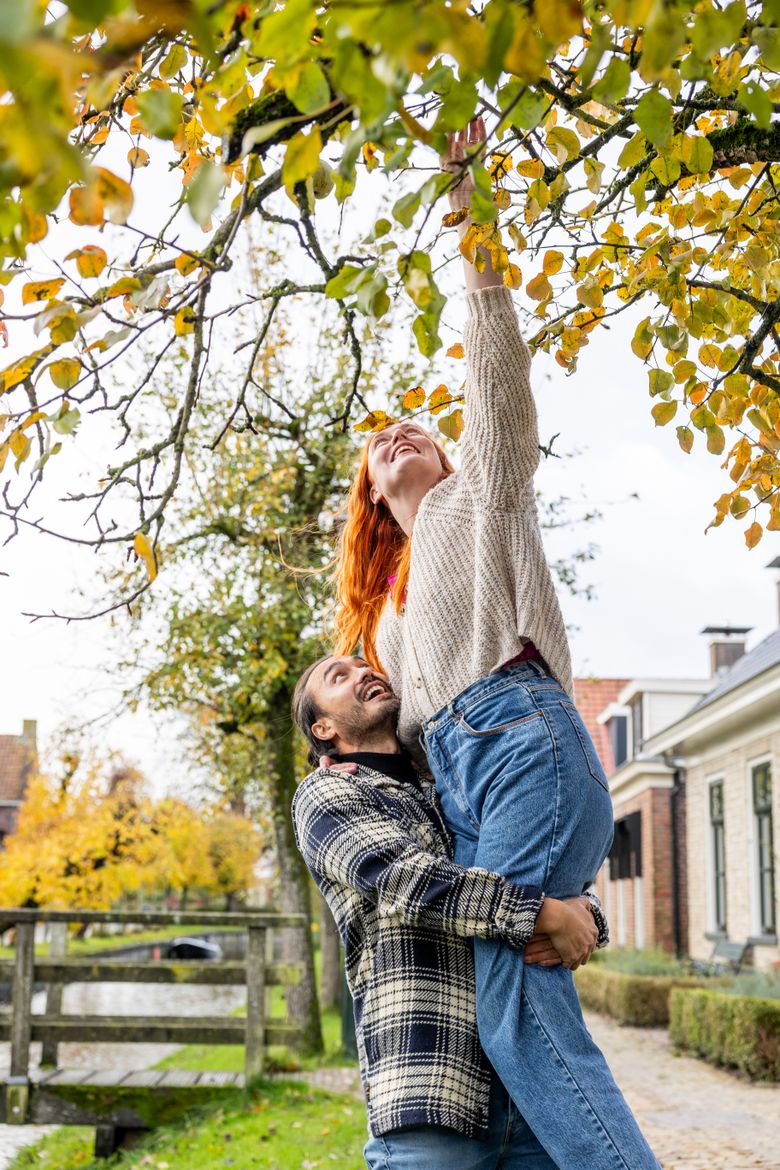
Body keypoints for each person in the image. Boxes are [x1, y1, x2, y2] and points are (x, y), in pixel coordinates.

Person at [331, 119, 662, 1170]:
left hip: (520, 734)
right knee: (512, 991)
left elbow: (496, 375)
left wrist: (467, 214)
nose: (397, 435)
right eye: (378, 444)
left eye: (415, 429)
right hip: (469, 781)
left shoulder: (484, 496)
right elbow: (392, 756)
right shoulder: (381, 616)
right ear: (369, 496)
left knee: (512, 1000)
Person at [291, 652, 609, 1170]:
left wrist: (587, 913)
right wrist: (546, 915)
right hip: (432, 1094)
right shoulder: (328, 793)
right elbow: (407, 881)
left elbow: (541, 861)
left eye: (365, 665)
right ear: (322, 729)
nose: (365, 672)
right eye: (339, 676)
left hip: (531, 1088)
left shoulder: (452, 788)